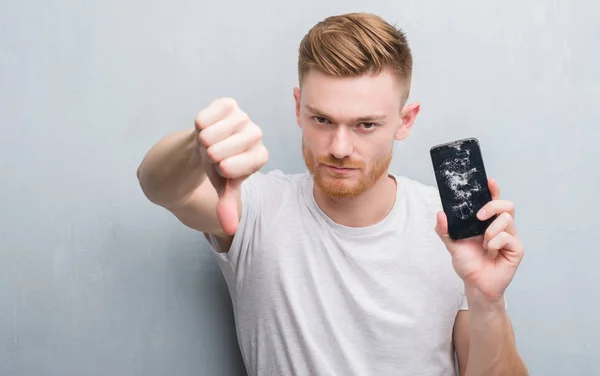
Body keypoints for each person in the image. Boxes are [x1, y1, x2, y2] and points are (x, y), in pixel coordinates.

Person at [137, 12, 528, 376]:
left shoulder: (449, 230)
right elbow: (161, 186)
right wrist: (197, 148)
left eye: (365, 125)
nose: (339, 147)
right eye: (322, 119)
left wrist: (487, 299)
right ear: (298, 108)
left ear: (404, 121)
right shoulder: (259, 208)